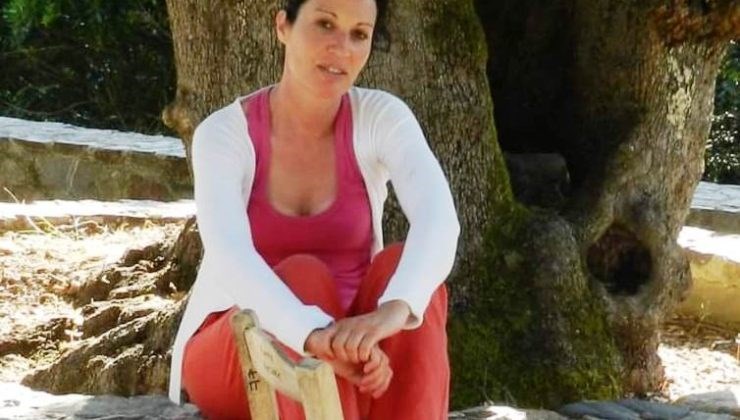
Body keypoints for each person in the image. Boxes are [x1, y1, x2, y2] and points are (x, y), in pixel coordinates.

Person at [167, 0, 460, 418]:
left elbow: (439, 219)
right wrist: (312, 335)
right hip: (243, 347)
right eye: (324, 24)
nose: (341, 47)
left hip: (353, 350)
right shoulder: (223, 134)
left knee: (410, 279)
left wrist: (392, 314)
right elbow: (229, 255)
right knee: (303, 275)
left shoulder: (381, 116)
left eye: (359, 34)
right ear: (283, 26)